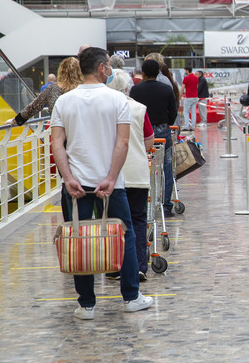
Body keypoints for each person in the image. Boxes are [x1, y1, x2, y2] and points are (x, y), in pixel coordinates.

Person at [51, 47, 154, 320]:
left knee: (78, 239)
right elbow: (122, 142)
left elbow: (57, 144)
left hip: (75, 186)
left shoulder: (64, 102)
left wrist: (68, 178)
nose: (109, 68)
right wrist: (110, 178)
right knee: (125, 235)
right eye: (107, 64)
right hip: (112, 184)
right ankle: (131, 296)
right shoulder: (116, 100)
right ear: (101, 68)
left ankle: (86, 304)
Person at [107, 67, 155, 281]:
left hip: (111, 173)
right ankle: (139, 266)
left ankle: (115, 266)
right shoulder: (139, 109)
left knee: (113, 221)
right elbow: (149, 142)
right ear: (128, 87)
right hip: (136, 170)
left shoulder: (105, 109)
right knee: (137, 219)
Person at [130, 59, 178, 217]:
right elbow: (173, 112)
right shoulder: (166, 89)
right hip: (163, 130)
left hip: (142, 132)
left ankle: (145, 202)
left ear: (142, 73)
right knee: (166, 168)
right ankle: (166, 205)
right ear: (158, 72)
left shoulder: (135, 90)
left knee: (144, 165)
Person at [6, 57, 82, 126]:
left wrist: (16, 120)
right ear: (79, 71)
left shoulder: (52, 88)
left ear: (61, 71)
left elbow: (34, 107)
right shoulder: (83, 88)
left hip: (59, 130)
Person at [181, 66, 199, 131]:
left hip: (188, 97)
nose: (185, 72)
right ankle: (192, 127)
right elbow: (197, 87)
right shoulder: (196, 78)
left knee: (185, 112)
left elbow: (182, 87)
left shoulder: (186, 78)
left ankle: (186, 126)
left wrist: (180, 95)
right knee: (193, 112)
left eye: (185, 70)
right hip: (195, 97)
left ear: (187, 71)